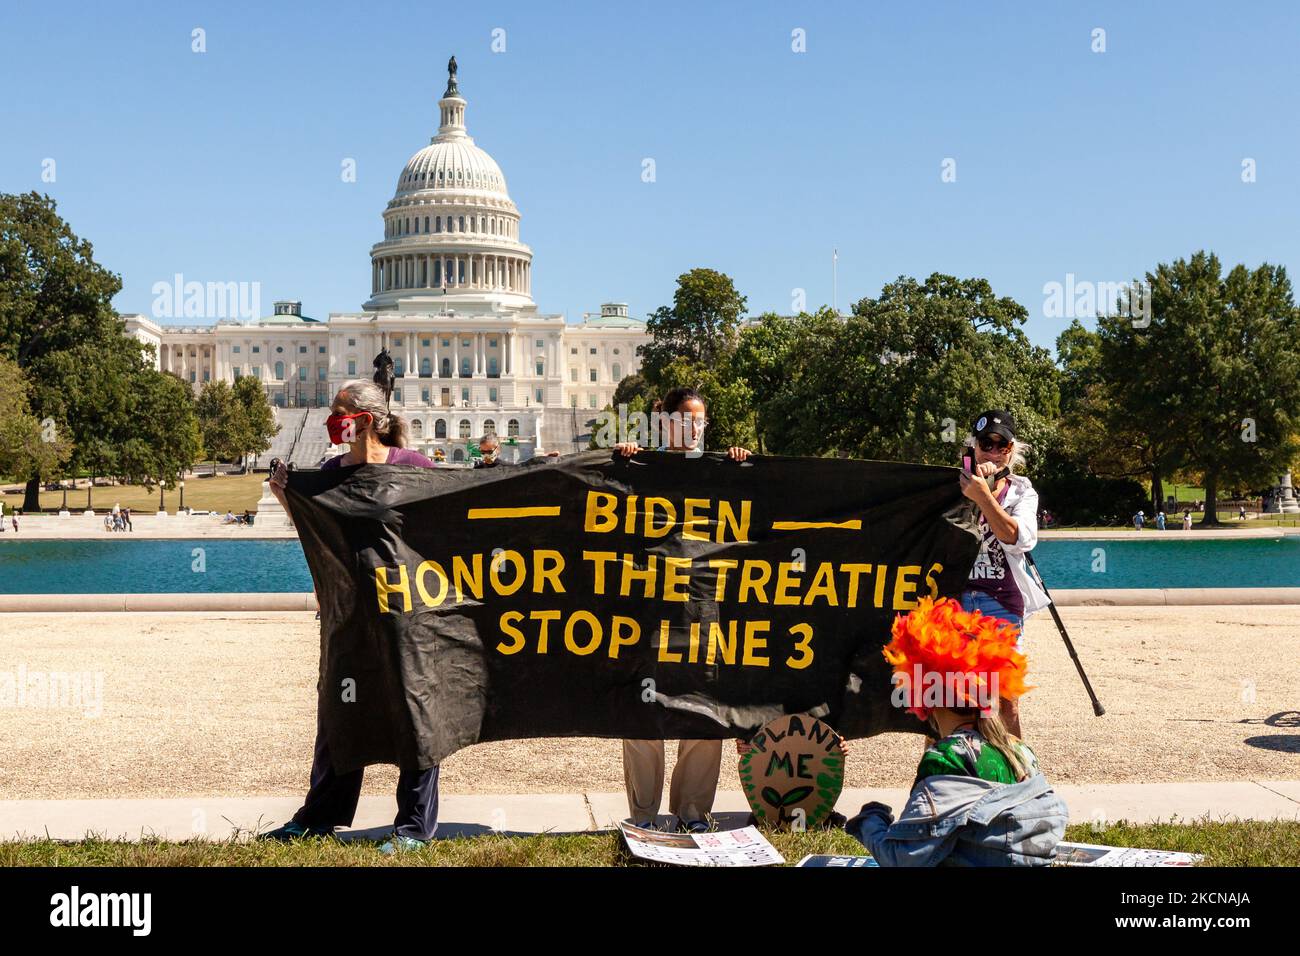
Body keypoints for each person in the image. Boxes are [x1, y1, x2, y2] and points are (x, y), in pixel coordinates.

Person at [263, 379, 439, 854]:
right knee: (339, 714)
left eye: (337, 411)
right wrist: (287, 496)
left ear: (363, 420)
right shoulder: (329, 470)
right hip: (348, 615)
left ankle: (414, 826)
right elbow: (320, 534)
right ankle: (319, 815)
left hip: (407, 615)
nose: (329, 419)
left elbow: (446, 531)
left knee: (416, 715)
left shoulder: (414, 468)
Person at [612, 386, 751, 832]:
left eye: (700, 421)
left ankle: (692, 814)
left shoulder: (721, 470)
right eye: (684, 419)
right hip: (650, 609)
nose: (693, 429)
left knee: (703, 710)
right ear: (664, 421)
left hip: (701, 609)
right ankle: (644, 816)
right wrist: (622, 458)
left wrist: (744, 466)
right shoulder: (642, 467)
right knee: (642, 713)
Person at [845, 597, 1067, 866]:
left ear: (925, 694)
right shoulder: (1020, 751)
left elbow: (903, 859)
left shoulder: (946, 759)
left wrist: (871, 821)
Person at [955, 410, 1047, 738]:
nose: (992, 452)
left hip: (1001, 604)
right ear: (973, 447)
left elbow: (1019, 537)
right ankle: (936, 779)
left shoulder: (1022, 492)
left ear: (1010, 450)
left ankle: (1021, 778)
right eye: (985, 443)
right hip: (956, 602)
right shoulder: (952, 486)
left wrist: (983, 497)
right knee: (948, 700)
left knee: (1007, 700)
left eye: (1001, 445)